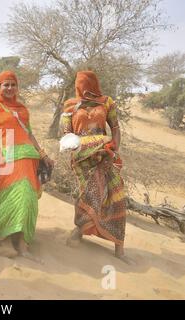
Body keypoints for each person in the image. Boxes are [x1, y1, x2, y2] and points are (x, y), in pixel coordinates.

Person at [0, 71, 54, 261]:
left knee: (28, 199)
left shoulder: (22, 109)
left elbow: (29, 134)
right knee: (6, 199)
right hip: (4, 157)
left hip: (28, 159)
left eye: (13, 84)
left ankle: (23, 245)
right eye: (6, 85)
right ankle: (3, 239)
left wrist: (43, 154)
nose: (10, 88)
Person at [61, 71, 133, 265]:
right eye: (81, 86)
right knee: (90, 194)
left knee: (116, 197)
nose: (85, 90)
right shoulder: (69, 105)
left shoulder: (107, 102)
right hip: (83, 158)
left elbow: (115, 129)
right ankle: (79, 231)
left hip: (106, 156)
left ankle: (119, 247)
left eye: (88, 85)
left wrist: (112, 148)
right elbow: (67, 134)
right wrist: (84, 145)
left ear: (95, 85)